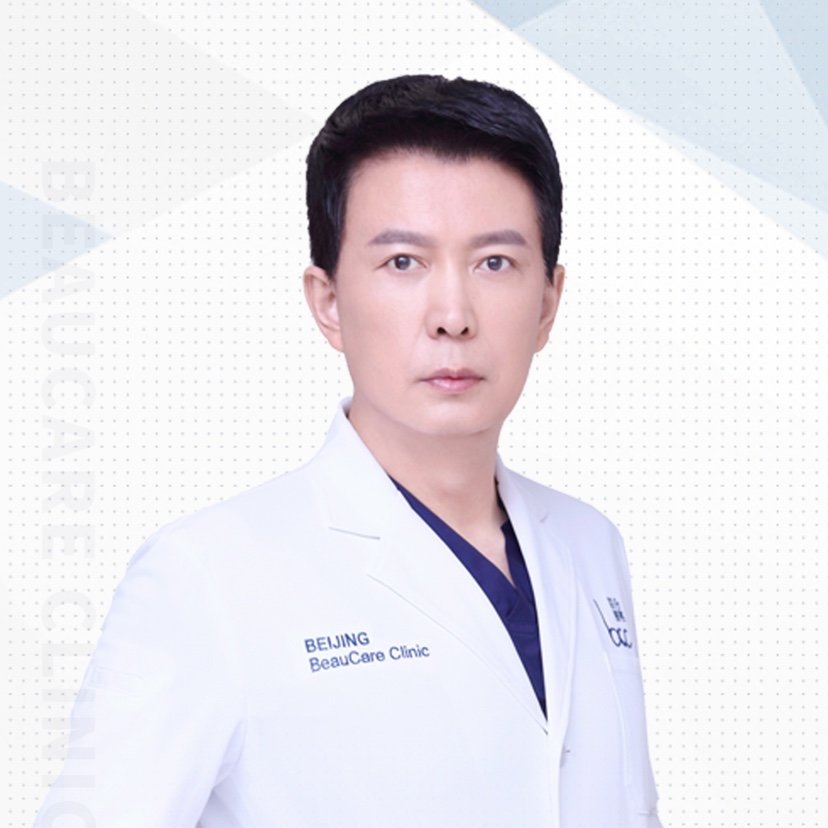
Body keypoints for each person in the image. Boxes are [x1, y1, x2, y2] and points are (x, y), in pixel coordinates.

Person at [33, 74, 662, 827]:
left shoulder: (590, 544)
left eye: (495, 262)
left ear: (548, 303)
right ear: (327, 302)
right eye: (403, 263)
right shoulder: (206, 576)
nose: (453, 315)